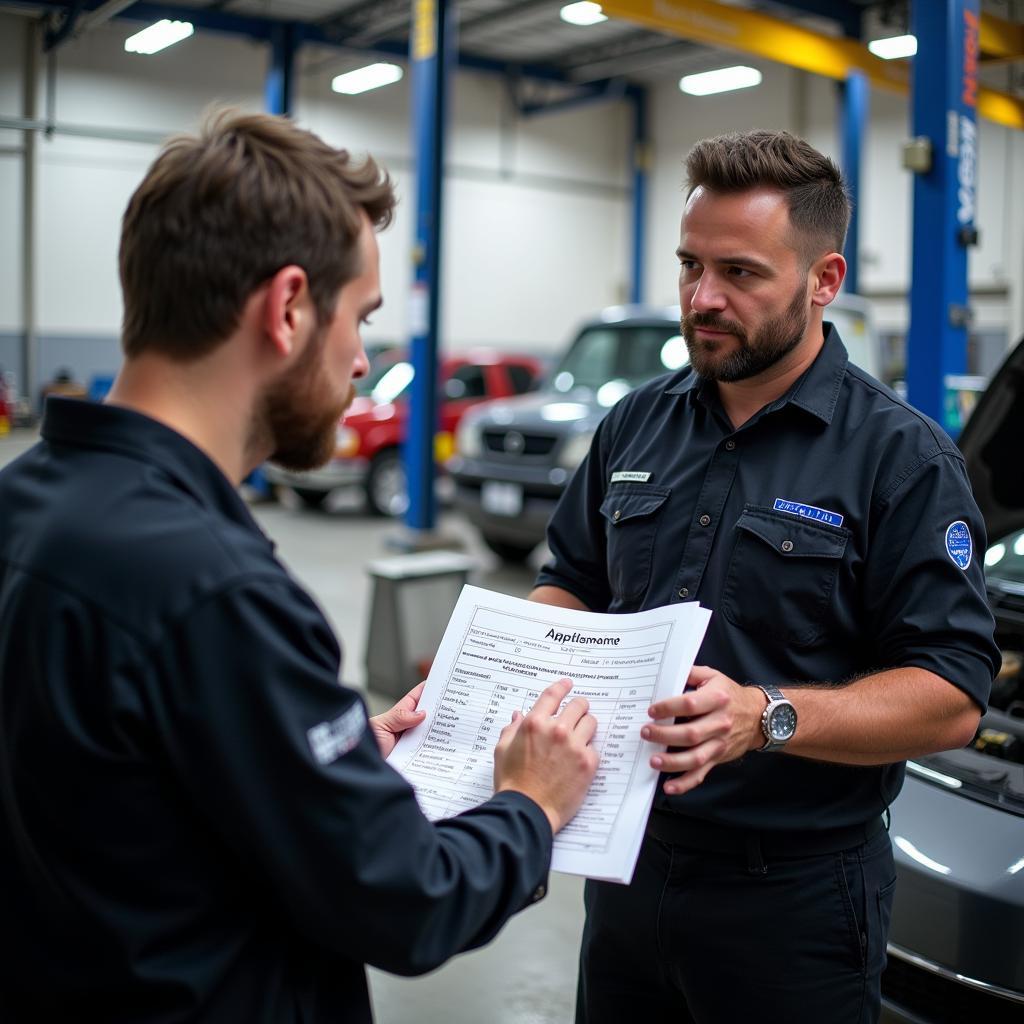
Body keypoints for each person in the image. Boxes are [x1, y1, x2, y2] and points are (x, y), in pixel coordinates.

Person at [0, 110, 599, 1023]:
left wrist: (321, 754)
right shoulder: (214, 586)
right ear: (286, 309)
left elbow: (130, 781)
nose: (362, 360)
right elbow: (406, 900)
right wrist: (530, 804)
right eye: (359, 318)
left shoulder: (28, 500)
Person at [530, 130, 998, 1024]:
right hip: (630, 872)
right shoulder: (635, 426)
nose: (702, 299)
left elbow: (952, 695)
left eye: (740, 274)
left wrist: (768, 716)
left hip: (796, 901)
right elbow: (573, 582)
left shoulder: (900, 459)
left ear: (823, 280)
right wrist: (513, 656)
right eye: (689, 266)